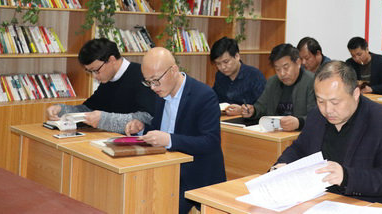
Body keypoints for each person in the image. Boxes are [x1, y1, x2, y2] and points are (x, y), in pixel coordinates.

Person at [274, 61, 382, 206]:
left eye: (335, 102)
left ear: (355, 93)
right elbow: (299, 148)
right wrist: (282, 166)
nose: (328, 110)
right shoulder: (316, 116)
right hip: (319, 202)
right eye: (321, 101)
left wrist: (347, 177)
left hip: (364, 205)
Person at [125, 47, 225, 214]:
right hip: (166, 170)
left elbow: (211, 141)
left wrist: (170, 140)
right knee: (135, 199)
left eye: (155, 80)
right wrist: (142, 129)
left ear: (173, 70)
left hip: (195, 176)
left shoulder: (204, 95)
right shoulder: (161, 93)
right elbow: (159, 130)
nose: (152, 87)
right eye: (148, 82)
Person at [45, 38, 157, 133]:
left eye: (96, 70)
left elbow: (147, 117)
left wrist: (104, 119)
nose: (94, 76)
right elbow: (89, 109)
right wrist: (61, 109)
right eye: (90, 71)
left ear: (112, 60)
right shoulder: (108, 79)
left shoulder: (142, 75)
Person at [241, 43, 315, 131]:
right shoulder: (273, 82)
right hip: (275, 133)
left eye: (286, 68)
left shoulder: (312, 82)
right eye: (278, 69)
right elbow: (261, 106)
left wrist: (299, 123)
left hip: (300, 134)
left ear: (298, 63)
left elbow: (317, 117)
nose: (282, 74)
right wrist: (252, 111)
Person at [209, 36, 266, 115]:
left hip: (248, 121)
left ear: (237, 56)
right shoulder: (220, 76)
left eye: (226, 62)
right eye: (218, 64)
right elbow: (215, 99)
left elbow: (264, 107)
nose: (222, 67)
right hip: (225, 118)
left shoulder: (255, 76)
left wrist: (243, 110)